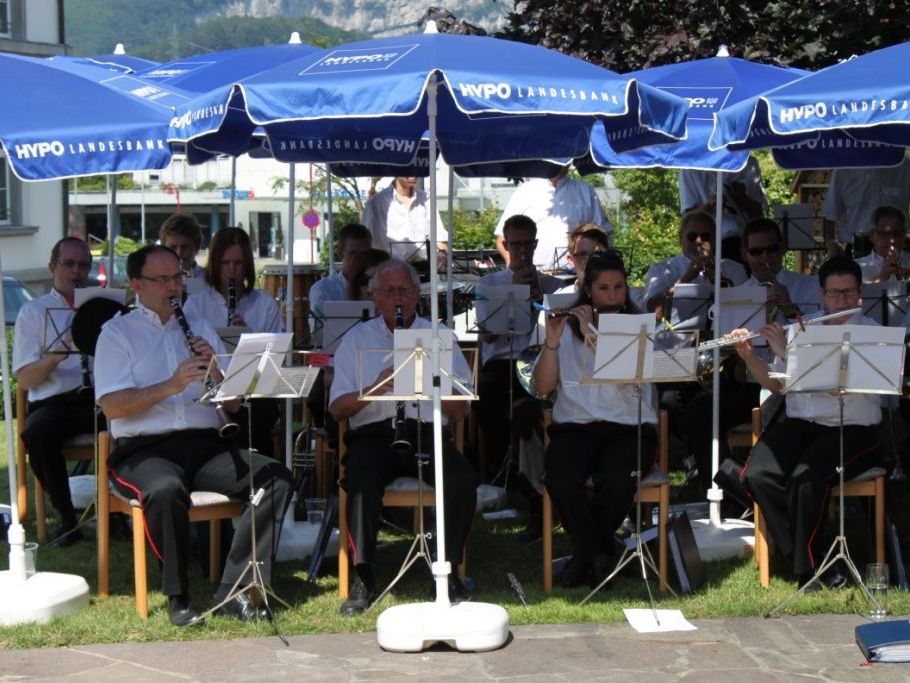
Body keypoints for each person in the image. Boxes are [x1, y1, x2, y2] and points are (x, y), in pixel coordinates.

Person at [94, 245, 293, 626]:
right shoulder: (117, 334)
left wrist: (219, 373)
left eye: (178, 277)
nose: (174, 287)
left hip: (204, 443)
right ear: (137, 284)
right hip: (145, 448)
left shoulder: (200, 329)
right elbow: (114, 406)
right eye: (163, 279)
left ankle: (235, 589)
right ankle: (178, 596)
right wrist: (171, 385)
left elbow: (233, 407)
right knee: (166, 490)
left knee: (275, 478)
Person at [328, 258, 476, 615]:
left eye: (406, 290)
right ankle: (363, 575)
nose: (399, 298)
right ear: (375, 296)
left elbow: (461, 411)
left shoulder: (440, 337)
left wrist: (434, 382)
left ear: (417, 295)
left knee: (461, 478)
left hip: (427, 432)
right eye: (390, 291)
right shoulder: (355, 340)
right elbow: (337, 409)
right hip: (374, 435)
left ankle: (447, 569)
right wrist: (375, 388)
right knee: (360, 478)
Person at [734, 255, 883, 588]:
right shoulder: (803, 328)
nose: (841, 301)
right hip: (802, 423)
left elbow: (839, 386)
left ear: (860, 294)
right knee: (757, 475)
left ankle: (808, 569)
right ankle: (804, 553)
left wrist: (787, 353)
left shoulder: (872, 334)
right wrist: (749, 355)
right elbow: (775, 384)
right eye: (834, 294)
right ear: (822, 294)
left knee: (805, 479)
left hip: (853, 429)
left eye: (848, 293)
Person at [532, 252, 658, 588]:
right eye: (603, 288)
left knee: (617, 480)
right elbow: (542, 387)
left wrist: (591, 330)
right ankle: (599, 553)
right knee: (559, 477)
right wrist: (553, 341)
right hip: (575, 427)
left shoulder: (638, 327)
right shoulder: (565, 325)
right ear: (588, 290)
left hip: (629, 428)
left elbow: (622, 370)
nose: (613, 296)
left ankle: (582, 557)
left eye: (619, 288)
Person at [684, 218, 824, 495]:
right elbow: (722, 349)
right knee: (698, 411)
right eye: (756, 252)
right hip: (749, 380)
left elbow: (819, 340)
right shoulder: (733, 295)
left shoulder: (807, 287)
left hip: (795, 382)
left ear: (782, 250)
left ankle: (763, 483)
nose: (765, 258)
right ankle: (723, 489)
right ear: (744, 255)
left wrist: (789, 308)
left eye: (771, 250)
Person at [13, 237, 96, 545]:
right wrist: (57, 355)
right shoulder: (33, 313)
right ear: (52, 267)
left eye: (83, 265)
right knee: (38, 433)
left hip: (99, 398)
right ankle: (67, 518)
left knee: (136, 423)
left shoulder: (100, 306)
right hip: (55, 403)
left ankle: (119, 512)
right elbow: (25, 380)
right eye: (69, 264)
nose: (77, 272)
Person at [476, 215, 562, 483]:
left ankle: (540, 466)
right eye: (516, 245)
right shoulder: (488, 285)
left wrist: (540, 298)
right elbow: (488, 336)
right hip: (503, 361)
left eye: (528, 245)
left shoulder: (550, 285)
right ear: (505, 244)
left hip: (539, 358)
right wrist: (517, 292)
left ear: (535, 244)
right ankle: (498, 464)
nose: (522, 251)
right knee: (489, 393)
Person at [184, 227, 283, 457]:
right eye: (225, 263)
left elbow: (277, 361)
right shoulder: (196, 305)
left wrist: (248, 336)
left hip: (253, 391)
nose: (231, 271)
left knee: (256, 415)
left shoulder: (265, 305)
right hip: (209, 389)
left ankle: (259, 475)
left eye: (238, 263)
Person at [495, 168, 610, 270]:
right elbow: (502, 237)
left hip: (576, 275)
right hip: (532, 276)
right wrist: (512, 264)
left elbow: (603, 235)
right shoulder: (524, 192)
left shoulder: (585, 191)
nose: (558, 163)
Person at [642, 210, 748, 316]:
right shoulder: (661, 269)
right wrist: (685, 279)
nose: (699, 241)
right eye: (692, 236)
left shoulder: (734, 269)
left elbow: (746, 309)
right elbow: (653, 313)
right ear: (680, 238)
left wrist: (719, 280)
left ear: (714, 239)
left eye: (705, 236)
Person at [678, 156, 767, 261]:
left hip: (746, 242)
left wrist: (742, 198)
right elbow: (688, 220)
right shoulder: (689, 168)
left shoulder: (748, 163)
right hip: (711, 242)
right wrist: (710, 205)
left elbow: (759, 214)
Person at [822, 158, 910, 247]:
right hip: (856, 248)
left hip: (896, 246)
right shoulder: (843, 170)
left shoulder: (905, 167)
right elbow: (829, 215)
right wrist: (831, 245)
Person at [361, 177, 446, 267]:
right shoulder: (376, 202)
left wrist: (441, 253)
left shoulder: (427, 199)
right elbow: (364, 243)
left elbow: (440, 237)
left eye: (416, 169)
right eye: (408, 170)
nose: (413, 175)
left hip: (424, 267)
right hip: (387, 268)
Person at [308, 223, 373, 337]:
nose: (359, 259)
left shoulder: (380, 287)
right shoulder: (323, 290)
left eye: (365, 254)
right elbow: (319, 334)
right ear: (340, 254)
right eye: (353, 254)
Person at [854, 206, 910, 283]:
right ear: (871, 236)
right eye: (884, 234)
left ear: (904, 235)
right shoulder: (856, 267)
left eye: (897, 234)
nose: (892, 240)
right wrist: (881, 277)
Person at [159, 213, 205, 295]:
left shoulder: (210, 280)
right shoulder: (152, 281)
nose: (178, 253)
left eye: (185, 247)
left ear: (197, 247)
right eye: (173, 247)